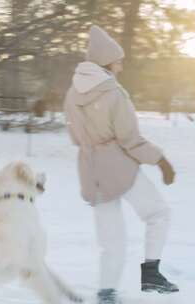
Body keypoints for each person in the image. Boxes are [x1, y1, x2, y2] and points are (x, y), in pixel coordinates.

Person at [63, 25, 179, 304]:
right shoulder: (114, 93)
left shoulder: (71, 94)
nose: (121, 65)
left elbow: (74, 137)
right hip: (119, 169)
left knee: (111, 242)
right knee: (158, 213)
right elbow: (130, 140)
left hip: (90, 172)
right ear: (106, 61)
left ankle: (106, 293)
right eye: (118, 60)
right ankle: (151, 273)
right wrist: (161, 160)